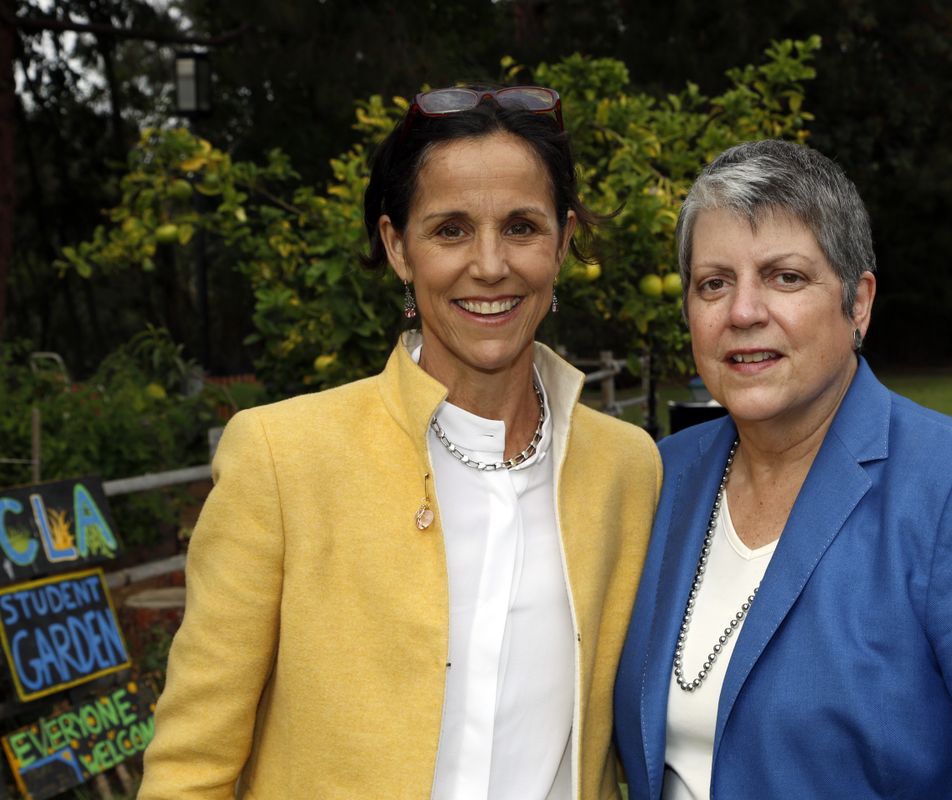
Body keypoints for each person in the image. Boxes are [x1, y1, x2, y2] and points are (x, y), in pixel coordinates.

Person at [139, 85, 661, 799]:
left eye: (521, 227)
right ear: (397, 247)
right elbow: (190, 770)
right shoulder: (282, 458)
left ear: (564, 242)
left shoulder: (627, 469)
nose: (488, 265)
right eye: (449, 230)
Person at [613, 140, 952, 799]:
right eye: (713, 283)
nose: (743, 312)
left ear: (858, 302)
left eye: (786, 277)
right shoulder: (659, 478)